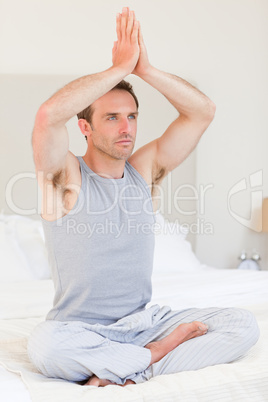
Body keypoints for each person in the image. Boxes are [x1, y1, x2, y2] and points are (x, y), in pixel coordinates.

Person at [27, 7, 259, 387]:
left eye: (132, 117)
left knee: (243, 325)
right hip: (80, 330)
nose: (126, 128)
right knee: (45, 346)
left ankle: (127, 365)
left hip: (144, 323)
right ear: (84, 127)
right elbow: (47, 116)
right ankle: (154, 357)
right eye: (112, 117)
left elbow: (203, 112)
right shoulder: (65, 177)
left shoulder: (143, 172)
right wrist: (117, 70)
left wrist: (144, 70)